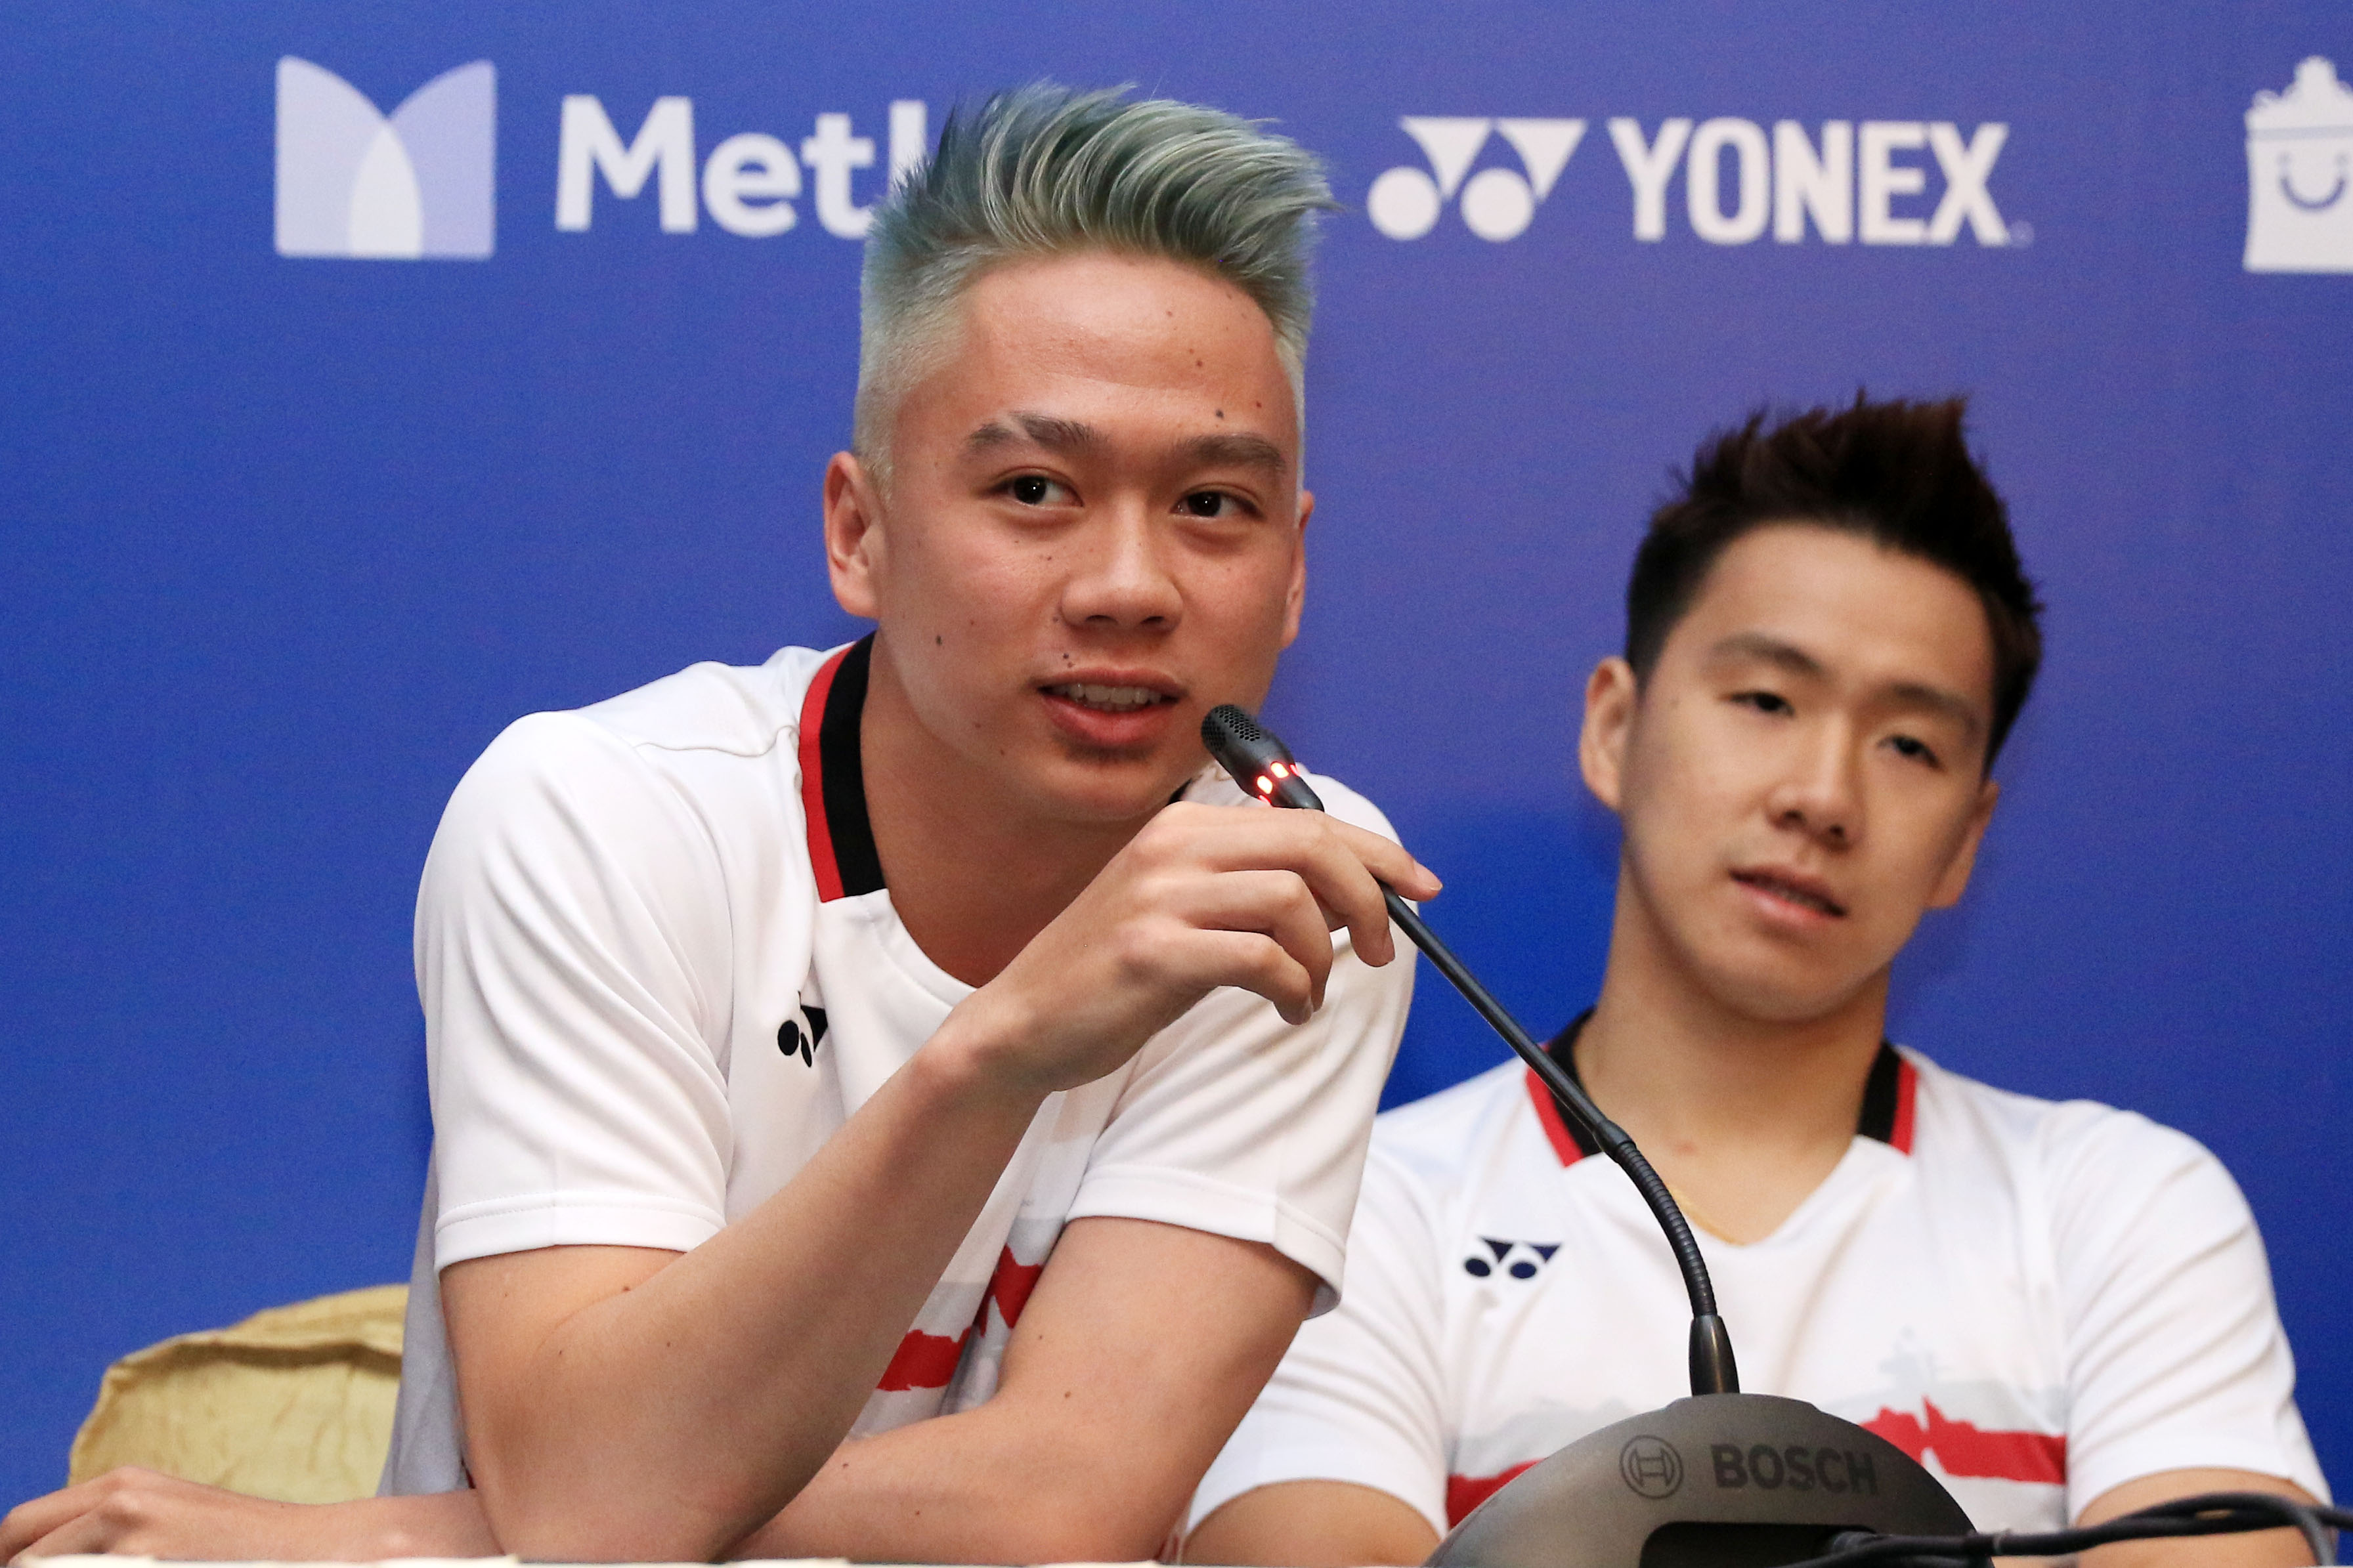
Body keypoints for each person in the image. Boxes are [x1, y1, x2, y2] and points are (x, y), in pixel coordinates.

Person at [0, 85, 1438, 1565]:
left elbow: (1062, 1500)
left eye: (1213, 505)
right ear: (860, 530)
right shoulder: (600, 815)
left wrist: (397, 1538)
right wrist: (1001, 1048)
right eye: (1034, 489)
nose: (1129, 585)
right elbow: (597, 1501)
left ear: (1293, 570)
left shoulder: (1295, 880)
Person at [1182, 398, 2330, 1568]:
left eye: (1910, 744)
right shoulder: (1359, 1213)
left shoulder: (2119, 1211)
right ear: (1614, 729)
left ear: (1968, 837)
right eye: (1768, 701)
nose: (1823, 796)